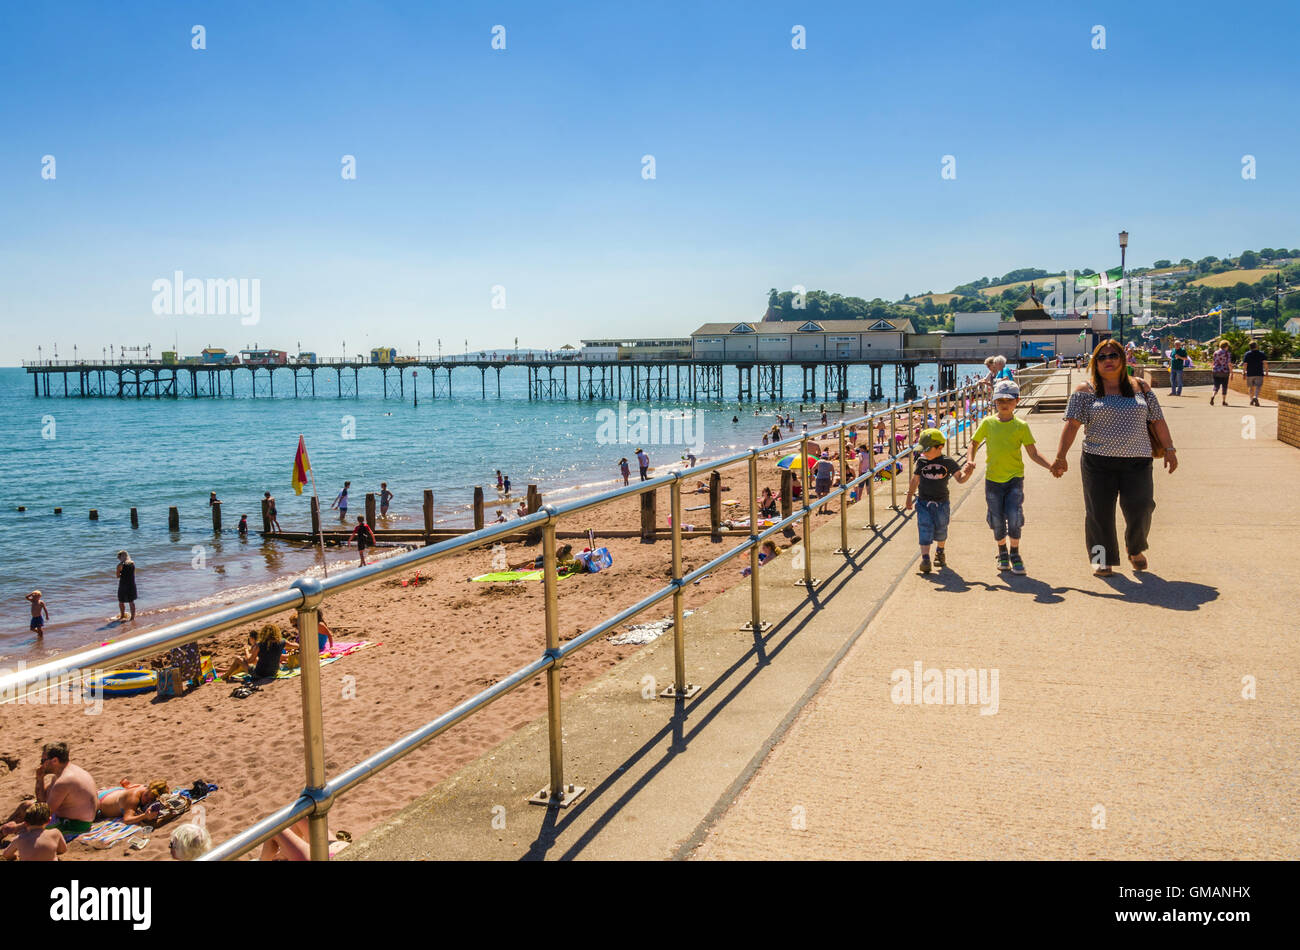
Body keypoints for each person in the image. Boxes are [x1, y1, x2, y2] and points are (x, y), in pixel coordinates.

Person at [1051, 340, 1177, 576]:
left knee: (1142, 508)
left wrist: (1170, 449)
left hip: (1138, 460)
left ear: (1122, 359)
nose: (1108, 360)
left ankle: (1135, 547)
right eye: (1102, 357)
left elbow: (1157, 419)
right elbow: (1072, 425)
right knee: (1099, 514)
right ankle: (1101, 559)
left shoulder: (1141, 387)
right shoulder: (1085, 391)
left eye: (1113, 355)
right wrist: (1060, 457)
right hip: (1097, 462)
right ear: (1095, 362)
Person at [967, 380, 1053, 574]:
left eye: (1009, 400)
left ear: (1017, 401)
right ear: (994, 402)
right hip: (993, 480)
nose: (1004, 403)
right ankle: (1002, 551)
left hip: (1015, 479)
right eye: (1000, 400)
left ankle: (1015, 552)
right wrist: (970, 461)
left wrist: (1051, 466)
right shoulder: (988, 423)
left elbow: (1033, 453)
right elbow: (973, 443)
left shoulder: (1021, 426)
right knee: (997, 519)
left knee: (1014, 516)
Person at [905, 429, 974, 574]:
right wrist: (909, 496)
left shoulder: (947, 462)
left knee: (941, 529)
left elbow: (960, 479)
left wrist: (968, 472)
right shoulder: (921, 461)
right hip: (923, 502)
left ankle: (940, 552)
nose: (924, 453)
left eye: (927, 450)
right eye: (922, 450)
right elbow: (915, 479)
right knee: (924, 528)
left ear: (940, 447)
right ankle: (925, 559)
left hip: (942, 503)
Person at [0, 742, 97, 841]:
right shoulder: (64, 773)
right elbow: (41, 801)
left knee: (30, 828)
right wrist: (40, 779)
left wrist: (16, 828)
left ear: (54, 760)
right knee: (26, 806)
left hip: (73, 826)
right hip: (73, 819)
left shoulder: (63, 781)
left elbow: (43, 816)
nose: (41, 764)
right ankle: (2, 832)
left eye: (43, 760)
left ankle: (4, 831)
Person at [1, 803, 66, 861]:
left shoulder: (19, 839)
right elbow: (63, 850)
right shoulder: (55, 833)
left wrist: (14, 857)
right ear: (49, 820)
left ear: (25, 823)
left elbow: (6, 855)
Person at [221, 624, 285, 681]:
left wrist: (246, 650)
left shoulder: (259, 645)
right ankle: (226, 674)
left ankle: (225, 676)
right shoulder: (282, 642)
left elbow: (249, 660)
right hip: (273, 672)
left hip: (259, 674)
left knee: (238, 659)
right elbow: (295, 646)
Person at [95, 779, 168, 825]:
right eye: (146, 796)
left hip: (115, 793)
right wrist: (144, 816)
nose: (146, 800)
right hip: (101, 802)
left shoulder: (145, 787)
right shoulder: (133, 798)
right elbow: (127, 820)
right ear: (147, 789)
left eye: (151, 799)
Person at [1242, 341, 1268, 406]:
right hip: (1259, 373)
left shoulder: (1247, 354)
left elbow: (1245, 364)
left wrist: (1244, 372)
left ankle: (1251, 400)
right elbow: (1265, 363)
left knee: (1250, 387)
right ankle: (1255, 397)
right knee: (1258, 386)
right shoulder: (1262, 353)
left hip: (1250, 373)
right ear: (1256, 346)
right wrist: (1267, 372)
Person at [115, 550, 136, 621]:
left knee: (121, 602)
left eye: (119, 557)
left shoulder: (120, 565)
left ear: (121, 557)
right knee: (131, 602)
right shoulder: (132, 563)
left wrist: (120, 573)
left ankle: (122, 616)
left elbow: (118, 576)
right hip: (131, 584)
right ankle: (132, 617)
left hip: (123, 584)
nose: (118, 559)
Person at [1210, 340, 1233, 405]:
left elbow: (1214, 362)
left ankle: (1213, 396)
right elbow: (1229, 363)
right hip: (1224, 372)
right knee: (1224, 386)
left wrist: (1213, 368)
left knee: (1216, 386)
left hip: (1216, 371)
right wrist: (1231, 372)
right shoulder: (1227, 353)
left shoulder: (1215, 352)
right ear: (1226, 346)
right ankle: (1223, 401)